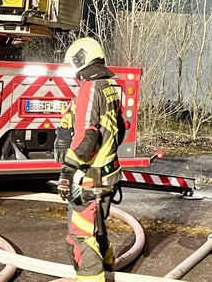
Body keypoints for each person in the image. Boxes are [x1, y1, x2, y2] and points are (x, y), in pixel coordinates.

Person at [54, 36, 126, 282]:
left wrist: (67, 172)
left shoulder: (90, 88)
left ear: (81, 59)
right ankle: (108, 268)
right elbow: (119, 129)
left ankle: (92, 278)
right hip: (108, 173)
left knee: (80, 237)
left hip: (89, 177)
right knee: (97, 228)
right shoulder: (108, 87)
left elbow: (88, 136)